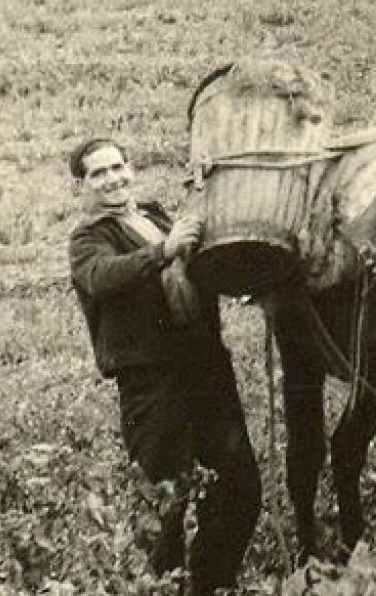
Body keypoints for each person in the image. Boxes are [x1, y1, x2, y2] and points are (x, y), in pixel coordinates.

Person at [67, 137, 261, 594]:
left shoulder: (154, 217)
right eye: (99, 173)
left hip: (207, 371)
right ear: (81, 186)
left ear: (131, 168)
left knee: (240, 487)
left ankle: (210, 584)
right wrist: (163, 251)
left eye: (118, 166)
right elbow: (101, 278)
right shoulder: (89, 239)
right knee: (163, 506)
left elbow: (199, 268)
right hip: (153, 385)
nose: (113, 178)